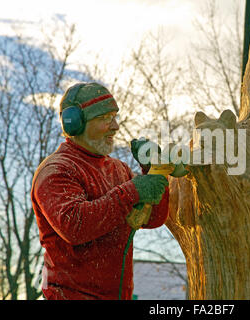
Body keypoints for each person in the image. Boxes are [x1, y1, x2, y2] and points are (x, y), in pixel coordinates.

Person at [31, 82, 169, 300]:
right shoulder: (56, 171)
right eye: (105, 118)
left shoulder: (118, 170)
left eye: (114, 117)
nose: (115, 126)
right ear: (75, 123)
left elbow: (153, 219)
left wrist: (155, 170)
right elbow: (74, 225)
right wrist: (132, 191)